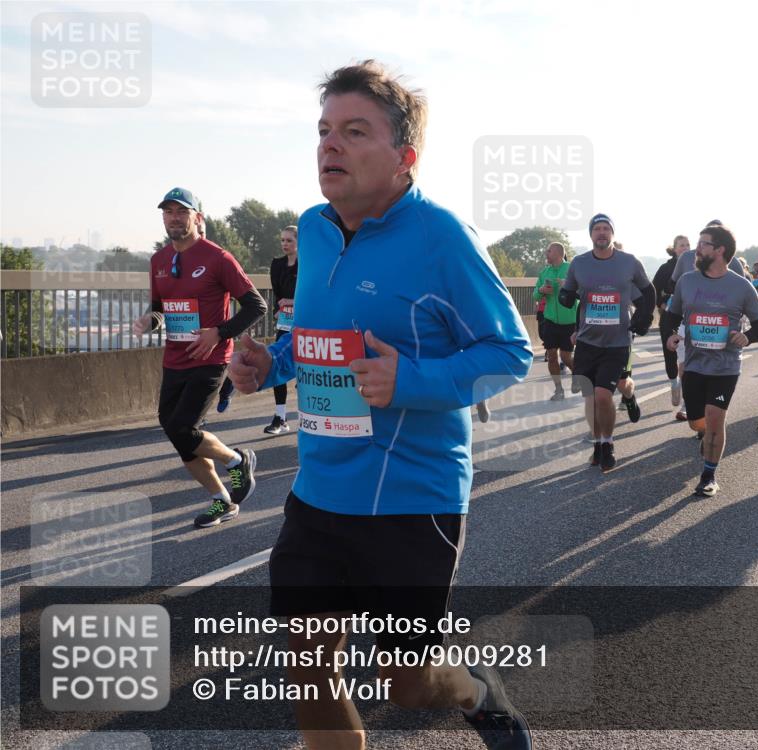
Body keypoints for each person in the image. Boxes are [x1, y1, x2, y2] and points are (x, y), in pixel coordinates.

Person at [227, 60, 533, 750]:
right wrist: (268, 362)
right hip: (319, 489)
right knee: (306, 660)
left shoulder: (443, 237)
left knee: (407, 683)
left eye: (354, 131)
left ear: (405, 159)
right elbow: (314, 331)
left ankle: (477, 691)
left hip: (411, 499)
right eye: (324, 130)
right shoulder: (311, 227)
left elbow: (510, 352)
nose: (329, 146)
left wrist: (411, 381)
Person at [132, 187, 266, 527]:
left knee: (183, 426)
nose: (174, 218)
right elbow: (160, 308)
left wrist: (219, 332)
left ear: (197, 218)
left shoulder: (218, 257)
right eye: (168, 212)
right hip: (174, 358)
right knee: (175, 431)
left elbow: (255, 305)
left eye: (181, 212)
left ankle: (237, 462)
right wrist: (151, 320)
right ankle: (222, 499)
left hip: (211, 358)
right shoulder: (159, 261)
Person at [664, 224, 758, 496]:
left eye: (703, 244)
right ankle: (705, 436)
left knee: (715, 418)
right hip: (695, 364)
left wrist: (747, 337)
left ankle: (709, 475)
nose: (696, 249)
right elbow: (671, 316)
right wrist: (672, 336)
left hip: (726, 366)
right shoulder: (687, 281)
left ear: (720, 250)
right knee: (697, 422)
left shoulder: (741, 286)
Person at [559, 213, 655, 471]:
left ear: (612, 233)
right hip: (587, 341)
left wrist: (644, 319)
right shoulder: (579, 263)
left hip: (617, 342)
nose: (601, 233)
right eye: (597, 229)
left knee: (603, 395)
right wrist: (565, 298)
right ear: (590, 234)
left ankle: (608, 442)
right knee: (590, 396)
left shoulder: (628, 262)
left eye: (605, 228)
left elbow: (648, 291)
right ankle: (597, 444)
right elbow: (568, 292)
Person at [263, 225, 299, 434]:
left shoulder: (307, 264)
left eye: (289, 240)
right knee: (278, 366)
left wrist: (292, 302)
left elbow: (312, 294)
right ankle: (280, 417)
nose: (285, 244)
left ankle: (308, 416)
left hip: (305, 322)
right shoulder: (277, 265)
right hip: (285, 322)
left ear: (299, 242)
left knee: (304, 371)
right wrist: (280, 308)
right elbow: (278, 294)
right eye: (283, 240)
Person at [533, 241, 577, 400]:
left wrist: (568, 286)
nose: (546, 253)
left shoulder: (572, 269)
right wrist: (541, 290)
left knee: (566, 357)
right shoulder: (545, 272)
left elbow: (583, 290)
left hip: (569, 320)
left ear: (558, 253)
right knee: (551, 356)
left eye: (549, 251)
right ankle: (559, 390)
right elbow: (534, 295)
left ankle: (577, 375)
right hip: (550, 320)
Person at [652, 236, 687, 410]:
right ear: (674, 249)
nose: (686, 248)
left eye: (688, 244)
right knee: (670, 353)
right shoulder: (666, 268)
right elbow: (653, 289)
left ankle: (687, 403)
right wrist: (661, 303)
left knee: (689, 356)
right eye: (682, 245)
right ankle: (674, 384)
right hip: (669, 316)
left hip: (688, 316)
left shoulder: (696, 265)